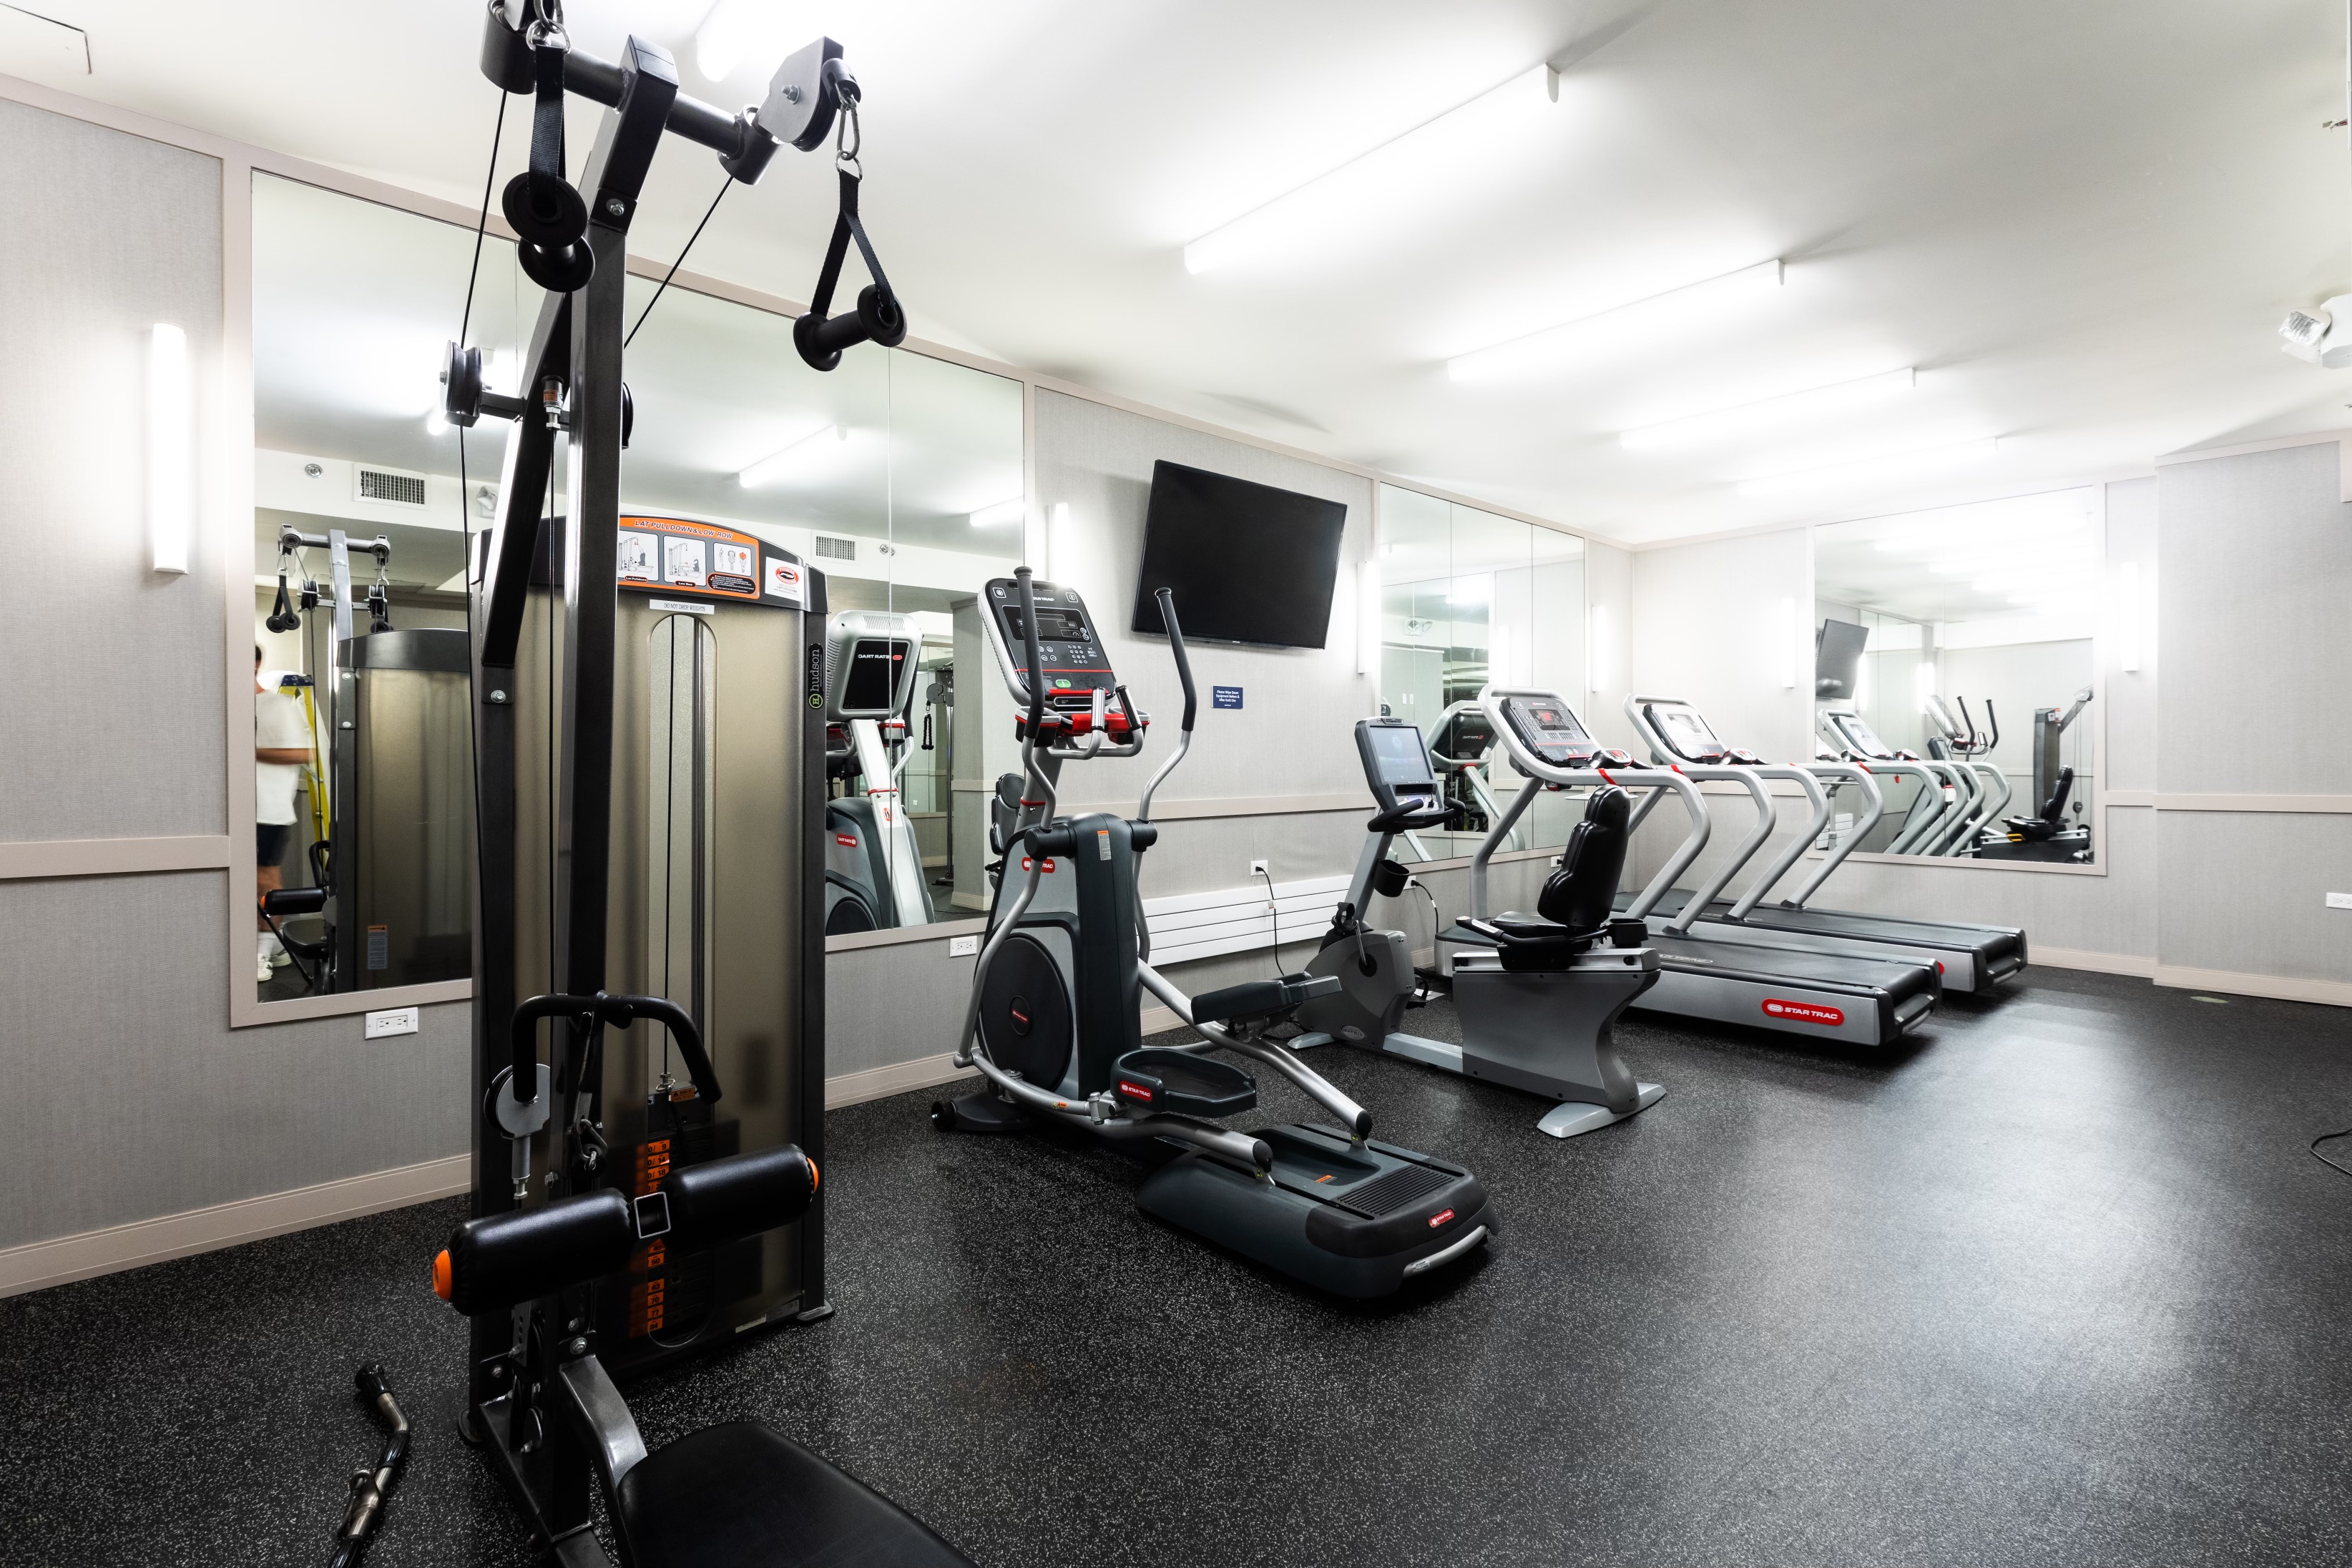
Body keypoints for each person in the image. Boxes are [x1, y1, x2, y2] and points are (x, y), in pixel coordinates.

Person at [255, 645, 314, 981]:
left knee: (263, 879)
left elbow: (299, 752)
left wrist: (248, 749)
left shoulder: (278, 704)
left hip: (268, 808)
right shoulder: (233, 704)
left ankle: (262, 953)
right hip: (237, 809)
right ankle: (274, 948)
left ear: (256, 664)